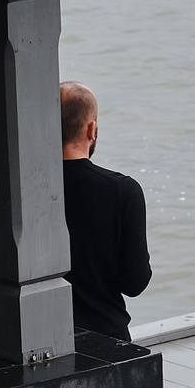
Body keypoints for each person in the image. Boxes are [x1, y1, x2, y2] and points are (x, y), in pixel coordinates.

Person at [60, 82, 152, 342]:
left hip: (38, 339)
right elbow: (135, 283)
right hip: (105, 335)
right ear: (91, 128)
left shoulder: (26, 188)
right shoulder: (123, 191)